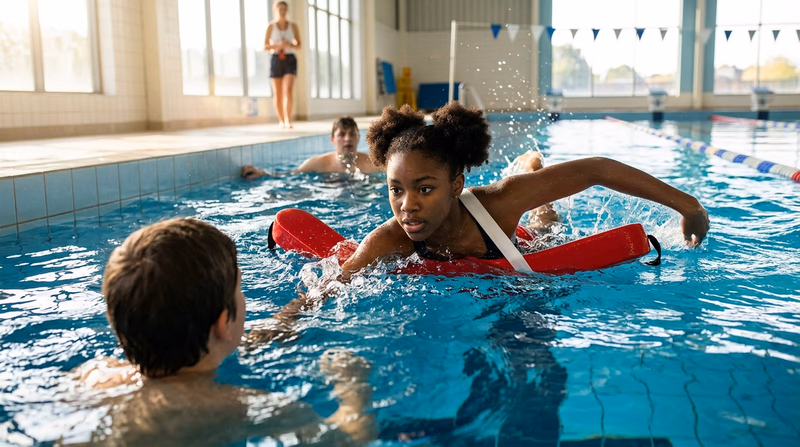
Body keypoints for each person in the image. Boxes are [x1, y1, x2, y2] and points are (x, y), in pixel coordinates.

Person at [65, 218, 374, 445]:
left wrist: (303, 305)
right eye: (240, 290)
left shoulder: (93, 375)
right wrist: (352, 389)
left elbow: (228, 337)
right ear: (223, 323)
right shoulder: (253, 408)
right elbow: (348, 439)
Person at [339, 102, 710, 280]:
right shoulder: (388, 240)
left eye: (424, 188)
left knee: (546, 225)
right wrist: (283, 324)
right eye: (396, 190)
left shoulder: (500, 202)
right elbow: (328, 288)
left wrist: (688, 207)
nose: (408, 206)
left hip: (515, 242)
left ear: (456, 185)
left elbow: (597, 169)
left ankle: (533, 169)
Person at [241, 117, 381, 179]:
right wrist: (262, 173)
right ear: (332, 139)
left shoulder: (372, 164)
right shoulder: (318, 163)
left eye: (352, 134)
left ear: (358, 138)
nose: (347, 138)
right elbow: (290, 175)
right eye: (342, 134)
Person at [265, 1, 301, 129]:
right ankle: (281, 120)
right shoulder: (271, 26)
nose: (282, 11)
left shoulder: (293, 26)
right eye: (280, 9)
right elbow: (265, 46)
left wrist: (289, 45)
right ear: (276, 10)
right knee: (278, 92)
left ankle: (288, 120)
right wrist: (278, 45)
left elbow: (299, 45)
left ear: (287, 10)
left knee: (288, 90)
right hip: (276, 58)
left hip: (290, 58)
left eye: (285, 9)